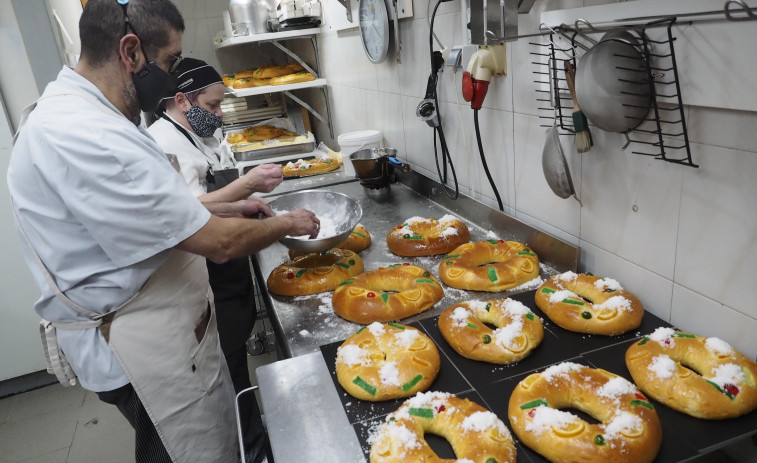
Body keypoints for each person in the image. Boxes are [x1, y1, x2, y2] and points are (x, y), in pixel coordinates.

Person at [6, 1, 319, 462]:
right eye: (170, 61)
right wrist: (287, 223)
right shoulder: (87, 134)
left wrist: (234, 201)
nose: (172, 77)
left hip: (158, 333)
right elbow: (220, 244)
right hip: (141, 352)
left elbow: (160, 214)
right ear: (130, 51)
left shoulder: (77, 113)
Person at [149, 58, 278, 462]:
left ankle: (250, 439)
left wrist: (245, 203)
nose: (220, 115)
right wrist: (245, 187)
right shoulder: (162, 143)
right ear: (184, 100)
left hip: (229, 274)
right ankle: (249, 448)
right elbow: (186, 213)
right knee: (228, 371)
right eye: (214, 106)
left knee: (235, 360)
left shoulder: (196, 135)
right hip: (208, 280)